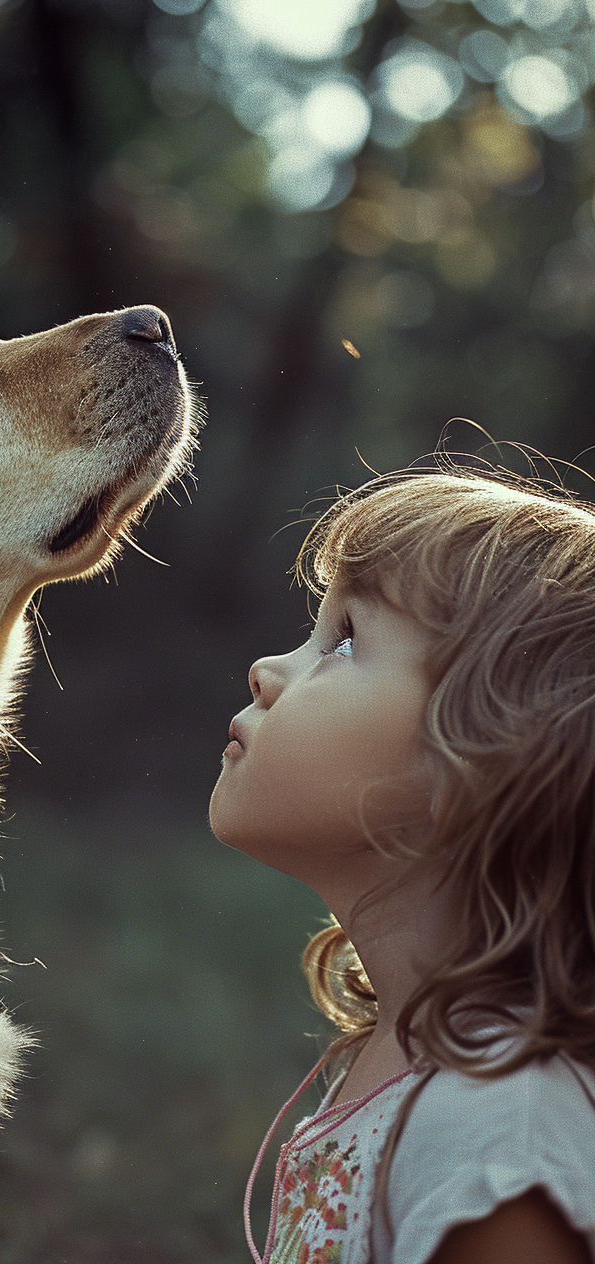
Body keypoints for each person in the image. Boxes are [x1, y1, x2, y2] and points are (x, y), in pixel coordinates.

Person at [209, 463, 595, 1264]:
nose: (268, 671)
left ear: (485, 761)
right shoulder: (411, 1052)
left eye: (345, 639)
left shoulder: (500, 1129)